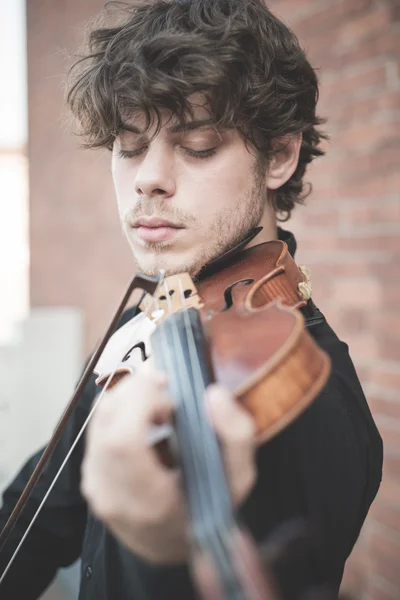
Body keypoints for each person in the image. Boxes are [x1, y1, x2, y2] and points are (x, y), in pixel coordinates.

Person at [0, 1, 383, 599]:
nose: (148, 179)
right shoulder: (145, 321)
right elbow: (38, 512)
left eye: (199, 145)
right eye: (129, 146)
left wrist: (161, 551)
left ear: (279, 155)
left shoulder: (307, 402)